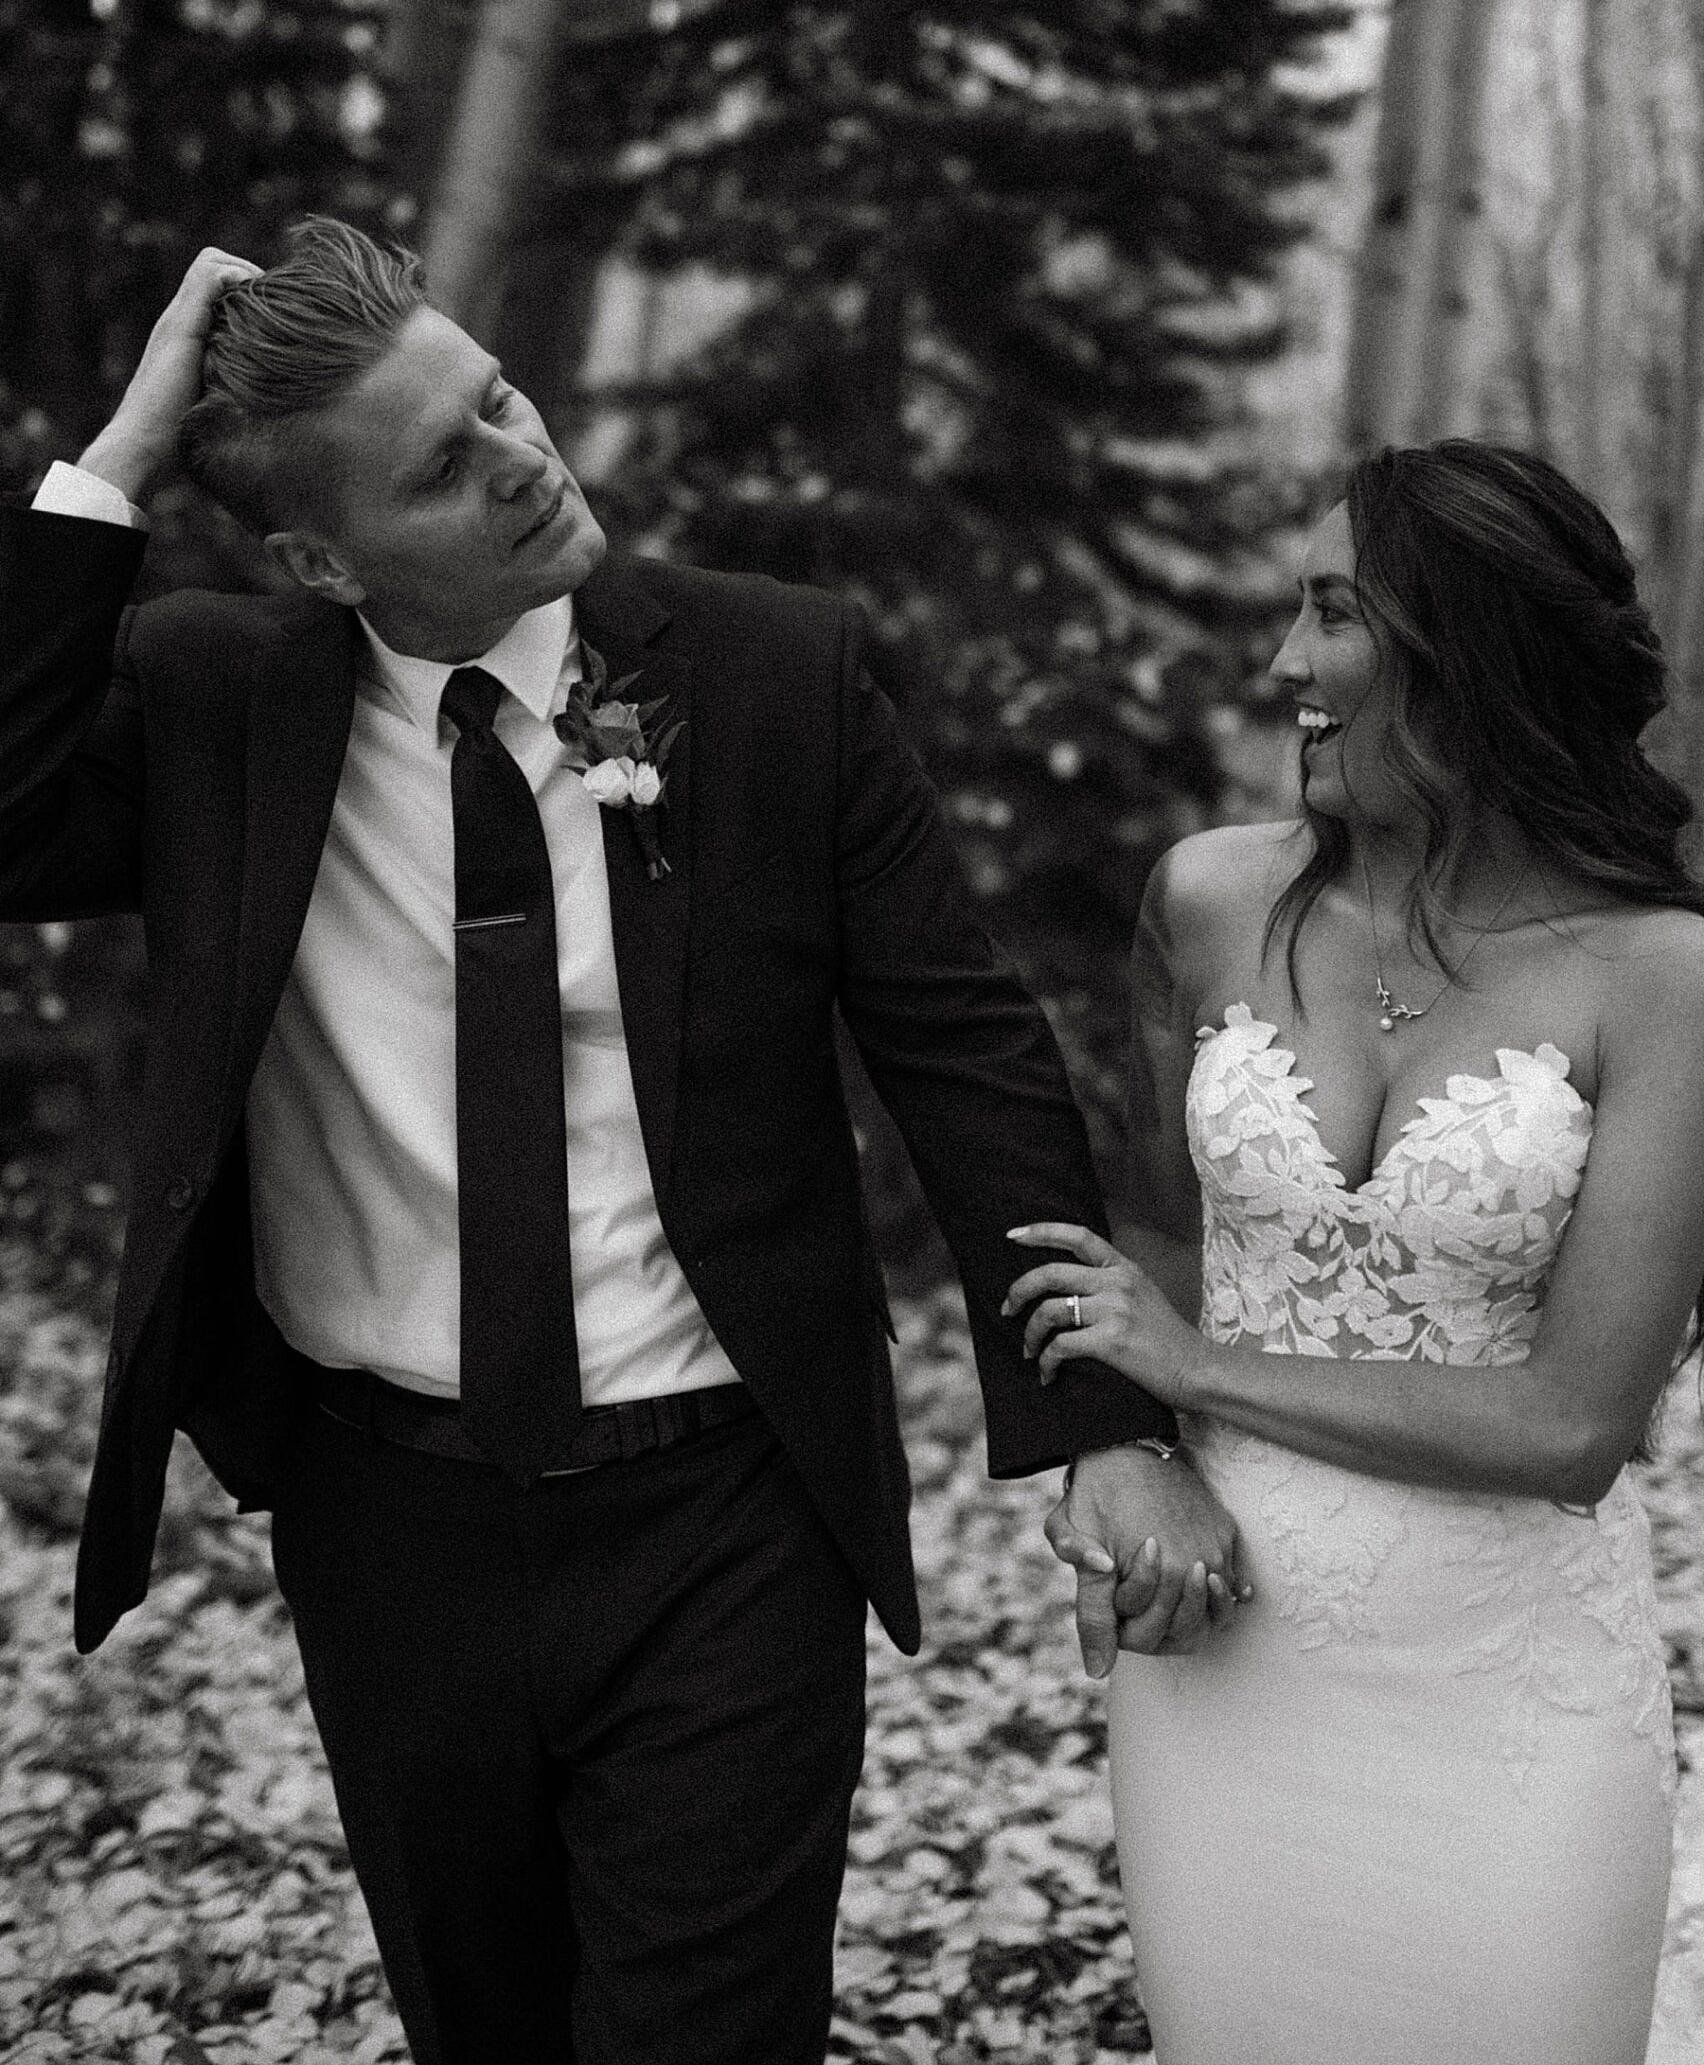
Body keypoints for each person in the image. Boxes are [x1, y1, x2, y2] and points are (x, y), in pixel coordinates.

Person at [0, 223, 1241, 2065]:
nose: (525, 455)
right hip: (379, 1521)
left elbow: (965, 1057)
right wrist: (110, 464)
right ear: (322, 560)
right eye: (445, 464)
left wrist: (1110, 1420)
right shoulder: (217, 703)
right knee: (483, 2028)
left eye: (497, 395)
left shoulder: (771, 676)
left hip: (726, 1514)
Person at [1006, 439, 1704, 2065]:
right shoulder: (1205, 902)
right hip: (1224, 1671)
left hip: (1511, 1701)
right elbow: (1153, 1243)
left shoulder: (1661, 977)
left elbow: (1573, 1427)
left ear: (1473, 656)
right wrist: (1130, 1453)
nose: (1282, 663)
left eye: (1334, 613)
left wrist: (1193, 1372)